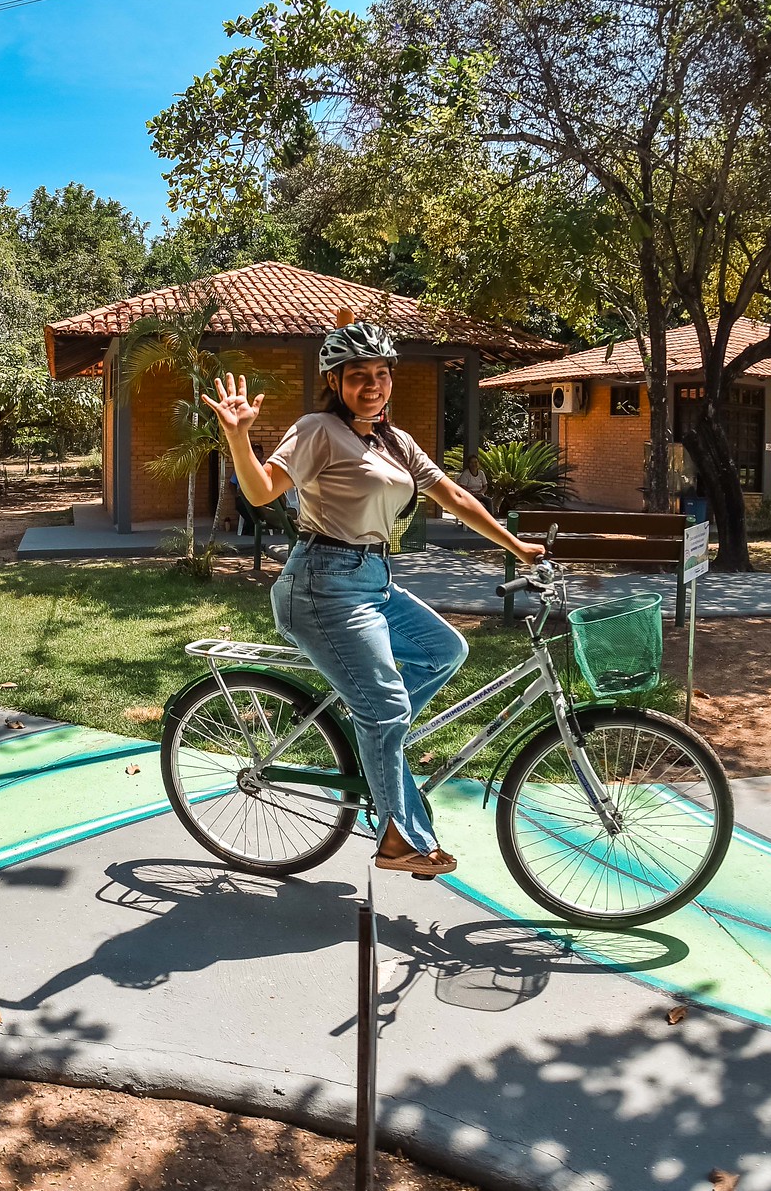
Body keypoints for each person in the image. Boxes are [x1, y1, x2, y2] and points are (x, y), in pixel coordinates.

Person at [203, 321, 546, 877]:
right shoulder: (318, 429)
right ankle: (396, 838)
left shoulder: (393, 440)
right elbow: (263, 490)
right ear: (334, 381)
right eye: (358, 375)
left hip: (374, 579)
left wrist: (516, 545)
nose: (372, 384)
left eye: (381, 374)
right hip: (321, 584)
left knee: (444, 650)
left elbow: (452, 495)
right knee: (384, 707)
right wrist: (239, 437)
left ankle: (378, 735)